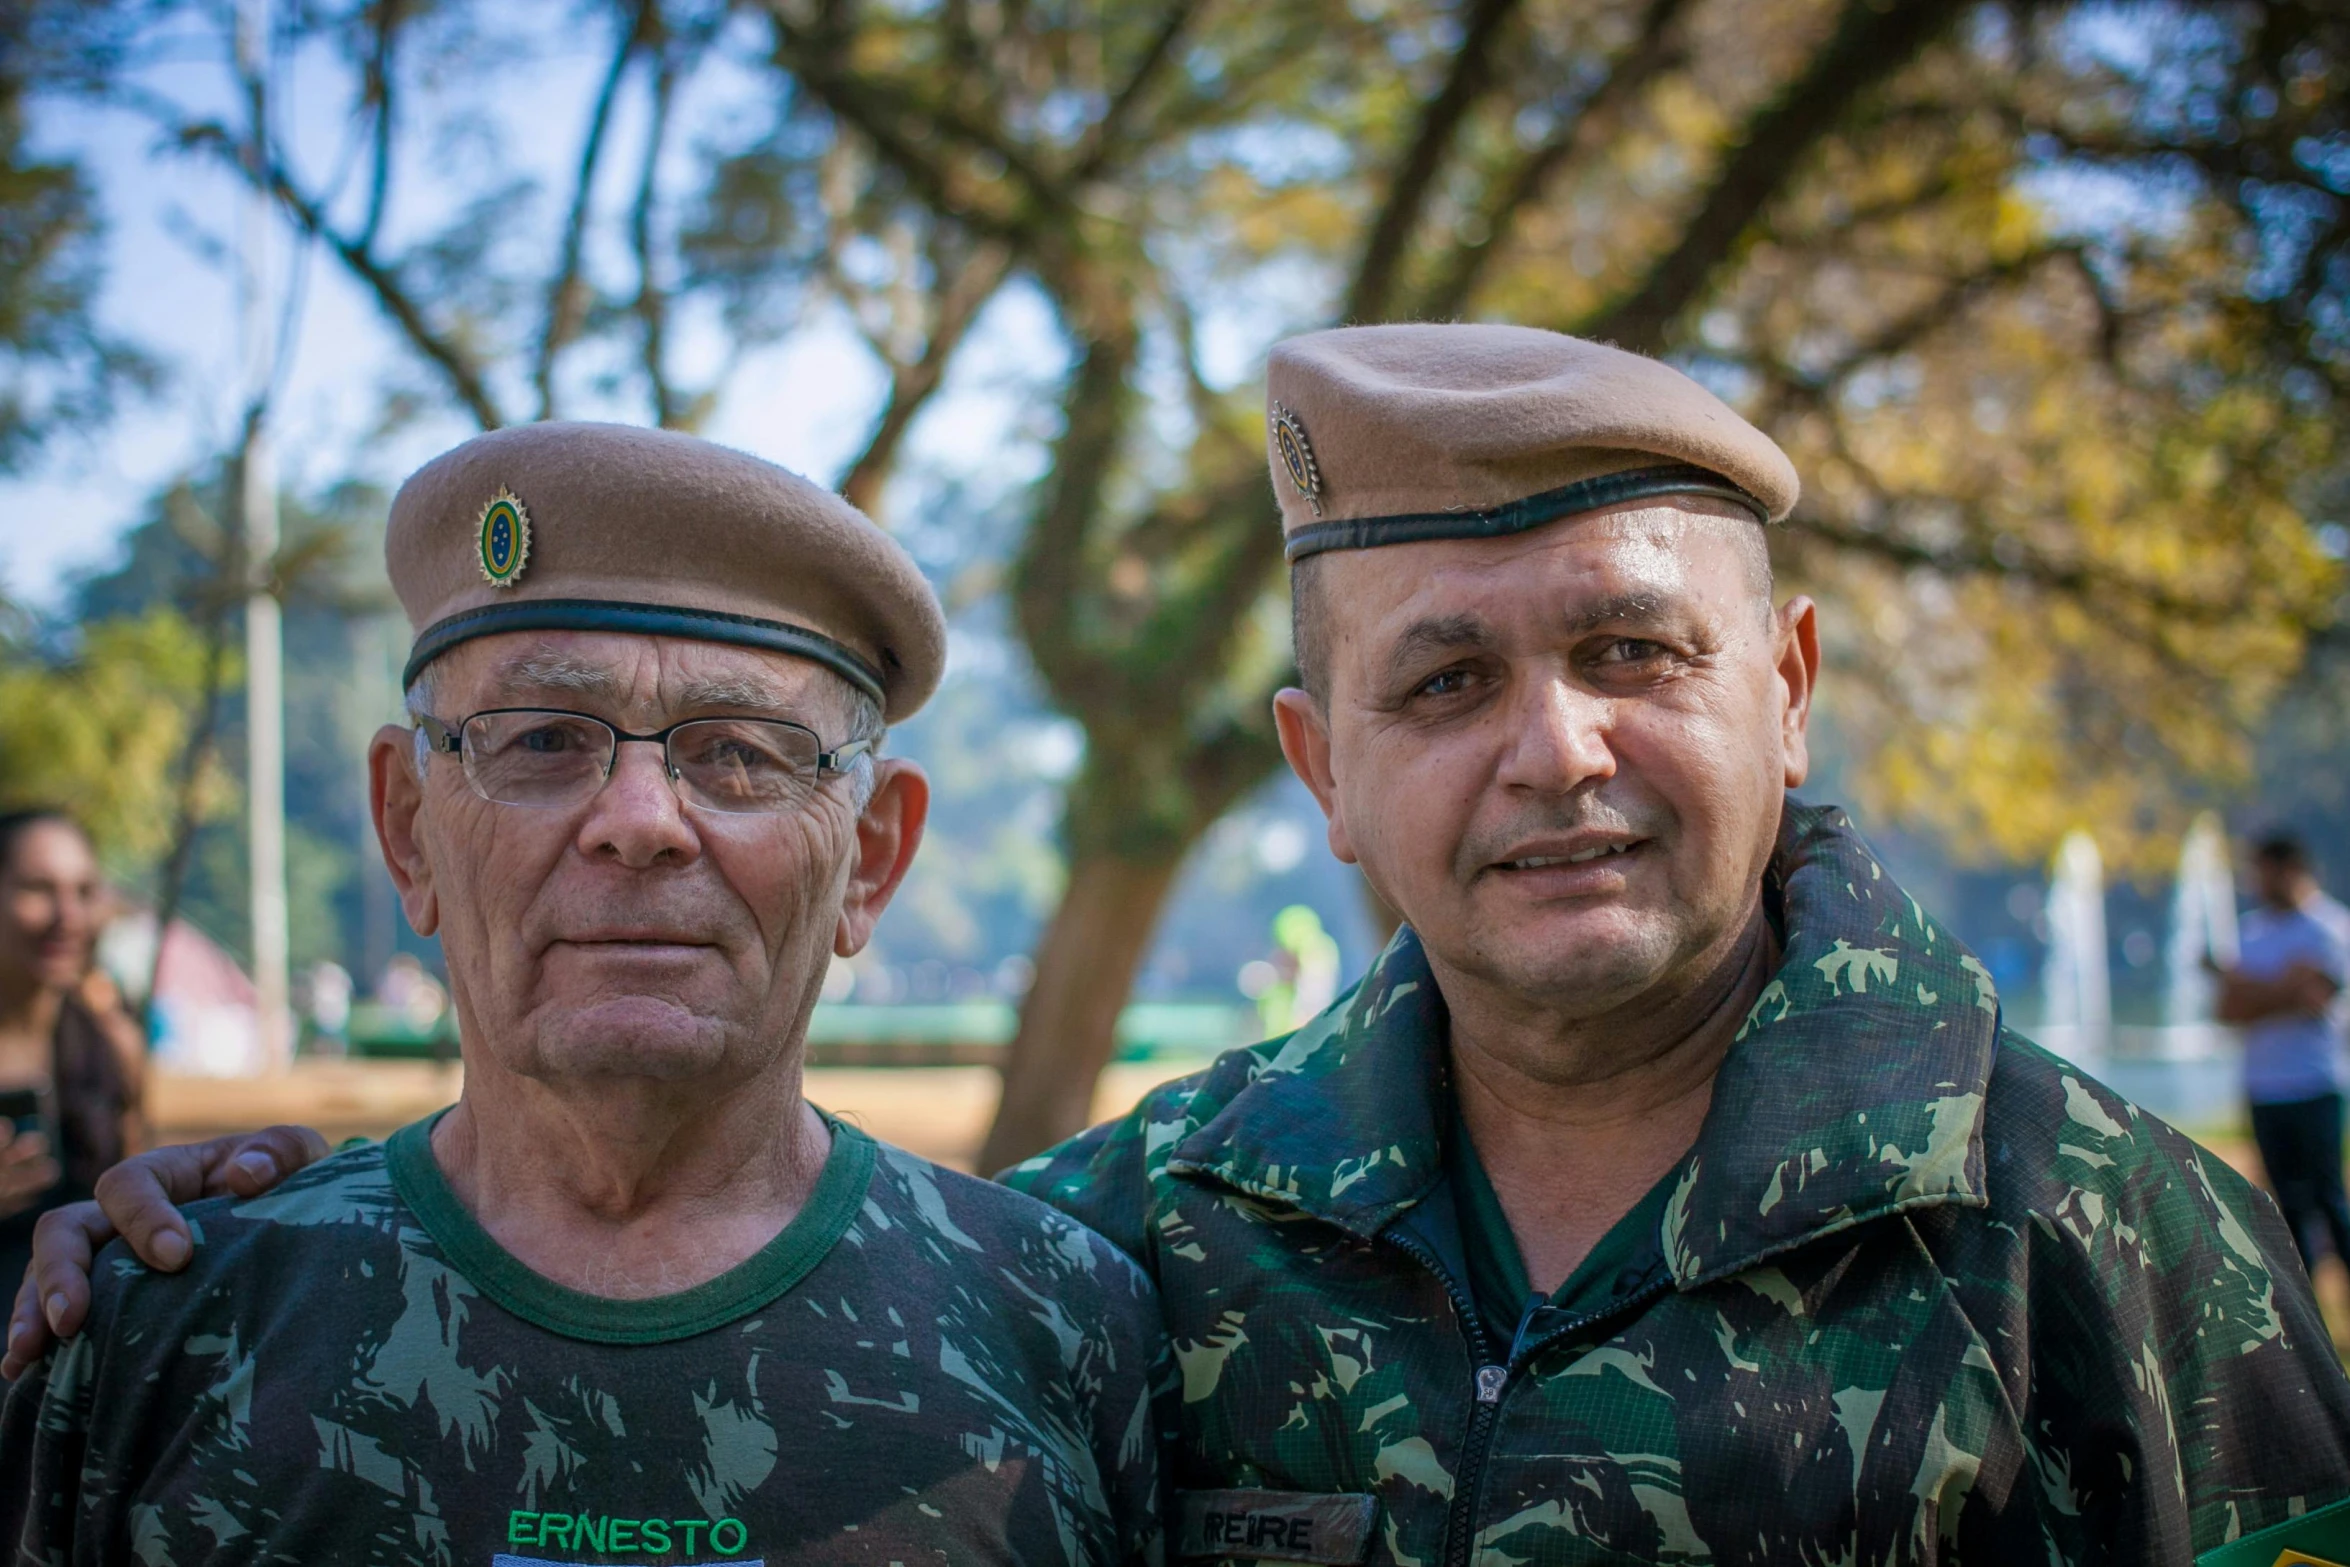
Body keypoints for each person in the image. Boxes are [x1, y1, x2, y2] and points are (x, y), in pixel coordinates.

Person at [22, 332, 2350, 1562]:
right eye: (1438, 681)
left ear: (1790, 684)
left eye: (1634, 650)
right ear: (1316, 763)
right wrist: (190, 1237)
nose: (1551, 752)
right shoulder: (1134, 1246)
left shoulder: (2114, 1252)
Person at [0, 423, 1167, 1565]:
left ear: (868, 854)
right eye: (544, 738)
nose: (641, 823)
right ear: (408, 829)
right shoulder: (163, 1338)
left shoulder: (1069, 1331)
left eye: (741, 753)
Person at [0, 810, 142, 1293]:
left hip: (78, 1345)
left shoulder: (114, 1044)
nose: (68, 917)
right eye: (39, 889)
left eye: (84, 892)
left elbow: (142, 1202)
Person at [2215, 830, 2350, 1275]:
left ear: (2290, 870)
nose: (2256, 882)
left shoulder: (2330, 926)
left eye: (2264, 872)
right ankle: (2305, 1309)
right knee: (2283, 1203)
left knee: (2328, 1199)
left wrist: (2247, 987)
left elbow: (2317, 997)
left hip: (2315, 1082)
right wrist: (2284, 989)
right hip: (2264, 1086)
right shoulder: (2252, 931)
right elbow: (2229, 1010)